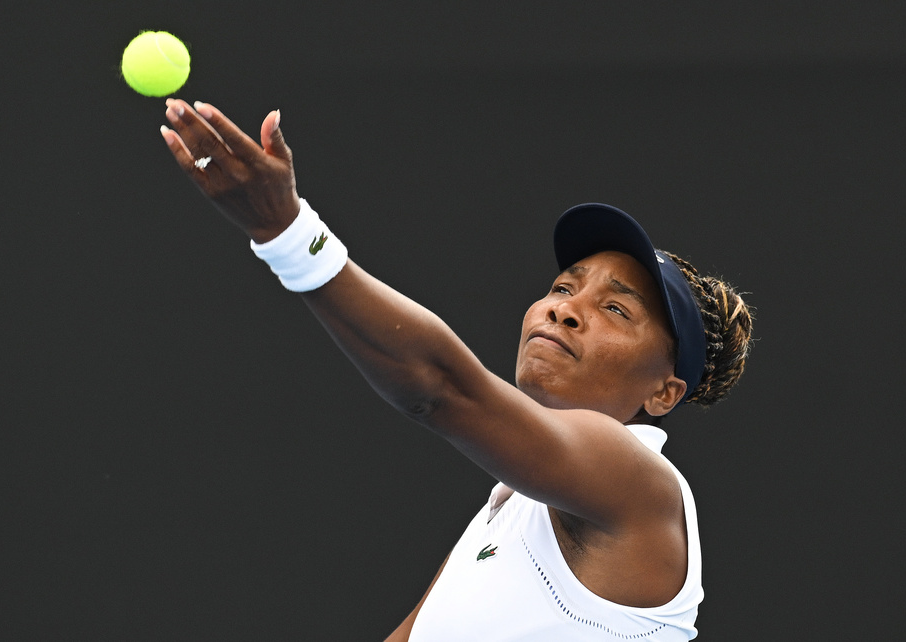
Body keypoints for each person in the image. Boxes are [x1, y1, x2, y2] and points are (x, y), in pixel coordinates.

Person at [159, 98, 753, 641]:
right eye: (562, 286)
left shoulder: (639, 482)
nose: (564, 309)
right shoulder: (510, 506)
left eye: (615, 309)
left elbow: (440, 388)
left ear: (664, 393)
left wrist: (288, 234)